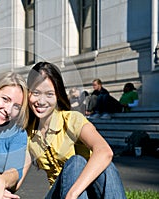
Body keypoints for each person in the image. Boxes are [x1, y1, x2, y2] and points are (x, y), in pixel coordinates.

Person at [24, 62, 126, 199]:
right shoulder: (28, 132)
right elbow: (17, 174)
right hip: (57, 194)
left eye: (49, 94)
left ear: (58, 95)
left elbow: (105, 152)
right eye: (36, 92)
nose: (41, 101)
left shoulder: (72, 120)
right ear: (28, 93)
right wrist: (0, 181)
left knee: (104, 166)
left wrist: (72, 193)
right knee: (76, 162)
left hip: (81, 194)